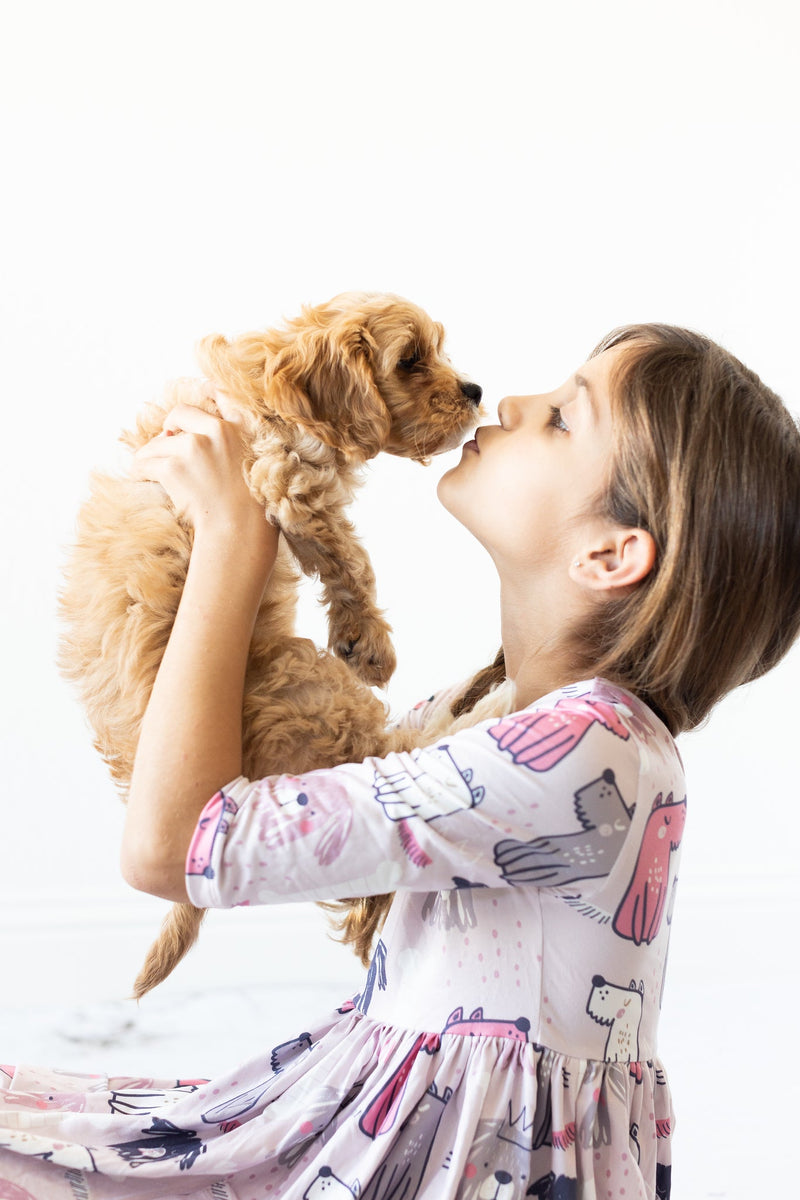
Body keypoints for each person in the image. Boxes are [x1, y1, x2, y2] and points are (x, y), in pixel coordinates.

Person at [2, 325, 799, 1200]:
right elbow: (247, 803)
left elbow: (174, 848)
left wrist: (237, 535)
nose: (512, 402)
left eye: (564, 418)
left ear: (610, 554)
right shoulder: (489, 715)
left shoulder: (585, 750)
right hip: (383, 1113)